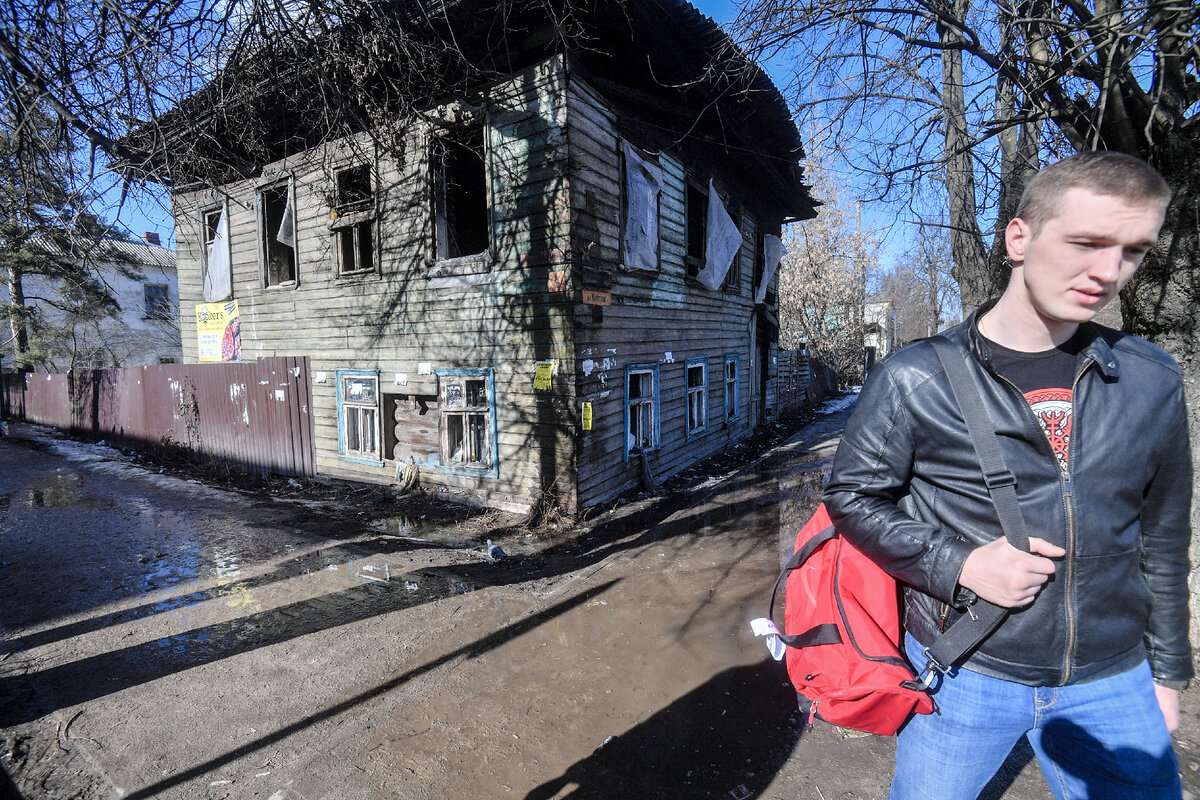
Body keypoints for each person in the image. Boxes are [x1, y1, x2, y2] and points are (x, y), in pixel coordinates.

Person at [823, 151, 1192, 799]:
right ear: (1018, 237)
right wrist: (957, 562)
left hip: (1114, 680)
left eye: (1133, 251)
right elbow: (852, 498)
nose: (1108, 273)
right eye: (1087, 242)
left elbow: (1162, 537)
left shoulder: (1150, 379)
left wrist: (1167, 677)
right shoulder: (915, 377)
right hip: (968, 670)